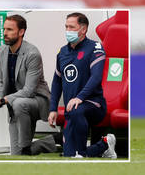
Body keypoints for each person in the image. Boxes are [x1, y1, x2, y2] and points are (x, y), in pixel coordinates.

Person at [48, 12, 116, 158]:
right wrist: (53, 108)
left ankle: (82, 152)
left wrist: (79, 97)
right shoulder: (62, 52)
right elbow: (57, 81)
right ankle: (105, 144)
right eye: (66, 27)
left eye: (71, 27)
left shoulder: (95, 47)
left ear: (83, 29)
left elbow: (96, 77)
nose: (68, 30)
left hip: (94, 105)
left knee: (77, 110)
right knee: (70, 155)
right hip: (71, 110)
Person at [0, 14, 51, 155]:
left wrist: (3, 100)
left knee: (20, 103)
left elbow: (29, 91)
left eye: (9, 29)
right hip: (15, 103)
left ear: (21, 32)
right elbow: (2, 80)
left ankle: (29, 146)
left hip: (37, 100)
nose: (4, 33)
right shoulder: (2, 50)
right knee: (17, 154)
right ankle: (50, 142)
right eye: (4, 29)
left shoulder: (32, 53)